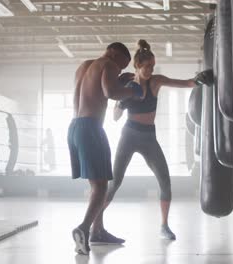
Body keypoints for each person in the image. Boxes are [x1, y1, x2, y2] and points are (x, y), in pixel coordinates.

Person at [91, 39, 213, 243]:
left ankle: (164, 226)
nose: (150, 69)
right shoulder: (127, 83)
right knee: (114, 184)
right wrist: (124, 100)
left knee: (165, 181)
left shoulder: (156, 81)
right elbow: (114, 117)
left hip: (149, 137)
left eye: (152, 66)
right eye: (147, 66)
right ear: (137, 66)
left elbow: (184, 83)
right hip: (129, 135)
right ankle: (95, 225)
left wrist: (199, 80)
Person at [68, 42, 143, 255]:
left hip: (74, 127)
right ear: (113, 53)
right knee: (101, 187)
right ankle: (83, 229)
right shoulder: (108, 64)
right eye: (120, 64)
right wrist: (131, 91)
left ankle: (98, 231)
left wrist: (119, 81)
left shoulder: (85, 66)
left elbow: (95, 91)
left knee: (97, 183)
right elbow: (110, 92)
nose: (118, 69)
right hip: (91, 128)